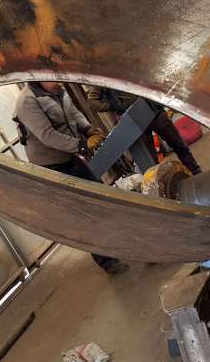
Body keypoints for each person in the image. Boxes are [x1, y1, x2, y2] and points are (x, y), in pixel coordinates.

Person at [14, 81, 129, 275]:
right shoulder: (27, 102)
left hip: (69, 156)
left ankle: (121, 245)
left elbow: (74, 114)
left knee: (102, 198)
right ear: (38, 77)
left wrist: (88, 129)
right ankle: (107, 261)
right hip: (51, 167)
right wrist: (82, 145)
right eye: (52, 78)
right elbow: (48, 135)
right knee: (81, 214)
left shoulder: (58, 89)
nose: (58, 81)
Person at [84, 86, 202, 174]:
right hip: (136, 121)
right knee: (150, 162)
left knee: (178, 145)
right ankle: (161, 189)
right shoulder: (106, 78)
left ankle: (196, 171)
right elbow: (92, 103)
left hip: (154, 111)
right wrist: (114, 106)